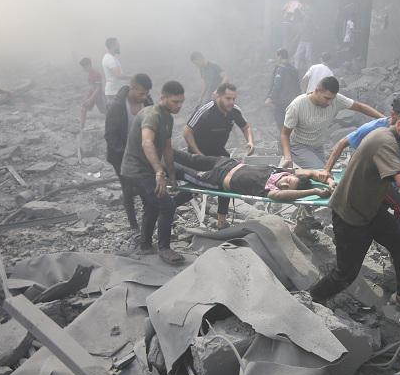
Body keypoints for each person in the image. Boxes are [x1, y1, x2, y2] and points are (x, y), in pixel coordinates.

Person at [309, 105, 400, 313]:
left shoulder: (388, 138)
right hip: (350, 215)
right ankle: (312, 299)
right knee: (345, 274)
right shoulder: (384, 142)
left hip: (371, 209)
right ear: (399, 124)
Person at [324, 93, 400, 226]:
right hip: (369, 181)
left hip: (389, 183)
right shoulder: (375, 128)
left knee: (377, 215)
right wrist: (326, 171)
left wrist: (399, 163)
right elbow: (342, 143)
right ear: (394, 115)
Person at [121, 81, 185, 264]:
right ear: (162, 97)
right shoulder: (152, 114)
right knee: (167, 205)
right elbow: (147, 143)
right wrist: (159, 173)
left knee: (153, 205)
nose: (179, 106)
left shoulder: (168, 118)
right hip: (136, 171)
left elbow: (166, 148)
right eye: (175, 102)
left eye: (181, 102)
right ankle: (164, 248)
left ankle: (145, 245)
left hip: (146, 169)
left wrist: (171, 174)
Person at [184, 82, 254, 229]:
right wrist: (197, 154)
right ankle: (169, 208)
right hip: (199, 153)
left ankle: (221, 221)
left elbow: (245, 126)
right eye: (228, 98)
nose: (231, 102)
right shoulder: (206, 110)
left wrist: (250, 142)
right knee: (196, 187)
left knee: (227, 183)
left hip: (218, 152)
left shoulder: (234, 110)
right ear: (219, 96)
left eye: (234, 99)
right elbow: (187, 131)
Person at [281, 75, 384, 170]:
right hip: (299, 146)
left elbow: (359, 107)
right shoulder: (297, 105)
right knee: (321, 172)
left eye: (332, 99)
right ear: (316, 91)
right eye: (326, 98)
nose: (329, 102)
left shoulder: (336, 100)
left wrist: (384, 119)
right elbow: (285, 134)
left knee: (324, 172)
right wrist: (287, 157)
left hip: (318, 146)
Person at [173, 151, 334, 201]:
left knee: (178, 170)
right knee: (189, 158)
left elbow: (281, 196)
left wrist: (313, 192)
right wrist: (330, 181)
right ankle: (155, 145)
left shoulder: (270, 190)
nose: (285, 183)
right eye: (289, 180)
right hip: (227, 163)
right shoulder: (282, 172)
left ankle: (152, 163)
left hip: (215, 179)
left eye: (287, 186)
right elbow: (314, 173)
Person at [105, 74, 154, 232]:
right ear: (132, 88)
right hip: (120, 155)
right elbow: (110, 136)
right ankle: (133, 224)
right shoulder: (117, 106)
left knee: (146, 184)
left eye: (146, 93)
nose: (144, 96)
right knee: (128, 187)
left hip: (142, 152)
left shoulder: (147, 102)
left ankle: (149, 220)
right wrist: (126, 152)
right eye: (141, 93)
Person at [265, 48, 300, 132]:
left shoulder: (280, 69)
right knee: (291, 122)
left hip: (281, 101)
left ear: (279, 56)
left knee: (281, 122)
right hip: (293, 100)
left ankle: (284, 141)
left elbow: (277, 85)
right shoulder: (294, 69)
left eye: (277, 57)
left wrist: (270, 97)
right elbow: (297, 86)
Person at [79, 57, 106, 129]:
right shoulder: (90, 74)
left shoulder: (96, 74)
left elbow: (98, 88)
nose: (83, 69)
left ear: (88, 65)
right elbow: (91, 87)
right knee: (83, 109)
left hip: (99, 97)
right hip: (92, 96)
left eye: (84, 67)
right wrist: (87, 97)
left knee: (106, 112)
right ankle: (81, 128)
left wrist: (90, 99)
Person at [102, 37, 130, 106]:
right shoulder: (110, 59)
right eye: (117, 44)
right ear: (112, 45)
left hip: (115, 91)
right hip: (114, 91)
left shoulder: (110, 57)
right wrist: (134, 77)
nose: (119, 46)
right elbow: (119, 75)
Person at [293, 6, 315, 72]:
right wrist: (296, 37)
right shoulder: (300, 19)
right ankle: (296, 69)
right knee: (297, 55)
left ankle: (310, 71)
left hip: (308, 40)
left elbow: (306, 28)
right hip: (302, 40)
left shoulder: (307, 18)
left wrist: (296, 37)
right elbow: (301, 30)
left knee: (308, 57)